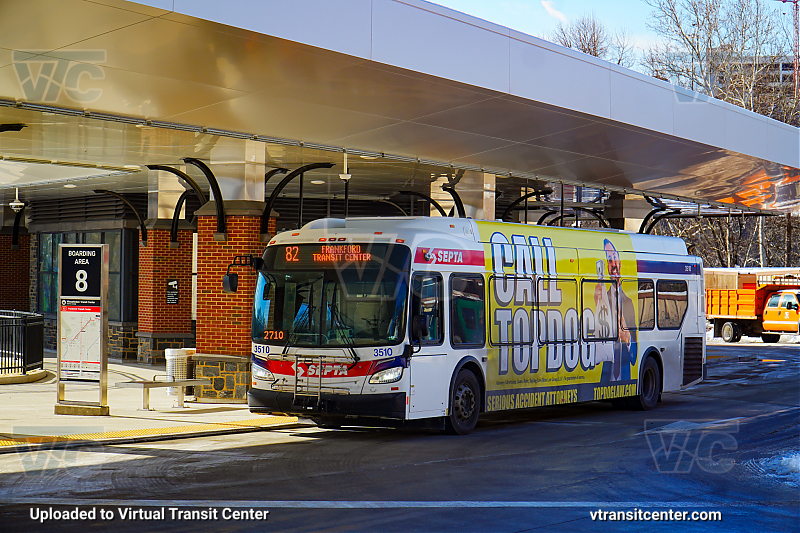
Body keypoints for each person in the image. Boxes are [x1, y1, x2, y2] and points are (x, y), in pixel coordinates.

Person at [594, 239, 637, 381]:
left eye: (614, 258)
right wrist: (596, 308)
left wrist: (628, 338)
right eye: (609, 260)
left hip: (624, 376)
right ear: (606, 267)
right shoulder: (601, 299)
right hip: (606, 378)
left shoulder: (629, 303)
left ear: (620, 261)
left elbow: (635, 356)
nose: (613, 264)